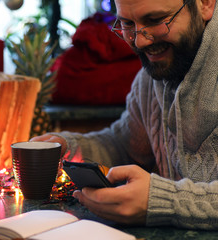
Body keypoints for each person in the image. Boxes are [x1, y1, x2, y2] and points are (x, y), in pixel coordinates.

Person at [30, 0, 218, 230]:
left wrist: (162, 202)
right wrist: (69, 148)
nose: (139, 41)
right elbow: (126, 146)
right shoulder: (150, 79)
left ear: (205, 4)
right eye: (128, 24)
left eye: (156, 20)